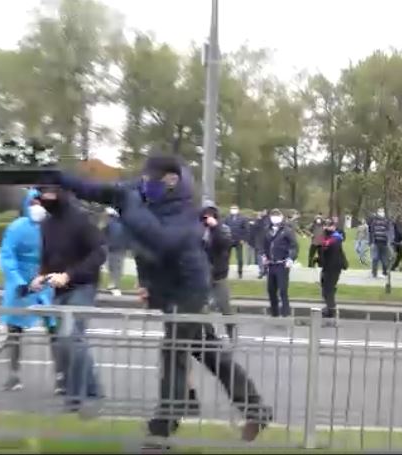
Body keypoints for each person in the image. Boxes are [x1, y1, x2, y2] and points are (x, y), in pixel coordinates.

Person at [53, 154, 271, 442]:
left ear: (171, 181)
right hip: (169, 288)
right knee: (210, 352)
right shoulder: (140, 192)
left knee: (173, 350)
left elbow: (162, 241)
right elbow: (97, 190)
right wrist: (59, 178)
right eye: (143, 180)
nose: (145, 186)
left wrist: (130, 206)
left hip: (190, 288)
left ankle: (162, 428)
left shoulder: (186, 210)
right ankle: (256, 409)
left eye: (151, 181)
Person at [32, 184, 106, 413]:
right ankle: (93, 390)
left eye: (49, 193)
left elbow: (99, 253)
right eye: (42, 194)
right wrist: (41, 275)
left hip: (83, 285)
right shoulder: (47, 224)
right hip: (59, 289)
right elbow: (48, 256)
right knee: (66, 342)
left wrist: (69, 275)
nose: (45, 198)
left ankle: (74, 398)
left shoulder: (81, 219)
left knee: (71, 338)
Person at [0, 189, 56, 391]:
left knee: (55, 327)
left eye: (41, 202)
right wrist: (18, 282)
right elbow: (7, 256)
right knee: (14, 328)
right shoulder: (16, 228)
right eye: (34, 202)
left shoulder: (53, 227)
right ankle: (13, 375)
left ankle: (61, 375)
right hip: (21, 281)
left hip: (45, 279)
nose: (38, 207)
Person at [201, 201, 235, 338]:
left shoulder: (223, 229)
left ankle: (231, 330)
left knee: (224, 306)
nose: (208, 216)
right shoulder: (199, 230)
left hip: (219, 274)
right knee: (202, 307)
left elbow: (225, 244)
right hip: (203, 275)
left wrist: (215, 227)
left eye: (211, 213)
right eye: (205, 213)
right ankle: (210, 334)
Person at [260, 209, 298, 318]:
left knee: (283, 290)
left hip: (282, 264)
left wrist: (290, 258)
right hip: (271, 264)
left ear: (281, 217)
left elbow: (294, 246)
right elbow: (264, 245)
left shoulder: (287, 231)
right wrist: (263, 255)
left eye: (277, 215)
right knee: (271, 290)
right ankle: (274, 313)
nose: (274, 218)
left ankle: (285, 313)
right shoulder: (267, 230)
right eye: (273, 215)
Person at [315, 219, 348, 319]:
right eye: (325, 225)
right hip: (327, 267)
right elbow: (321, 250)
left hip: (333, 268)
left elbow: (328, 249)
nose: (326, 228)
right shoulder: (326, 238)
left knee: (328, 289)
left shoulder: (335, 239)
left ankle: (331, 310)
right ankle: (329, 307)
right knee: (326, 288)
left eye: (329, 226)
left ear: (333, 227)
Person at [102, 207, 128, 296]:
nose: (105, 217)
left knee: (114, 267)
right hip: (118, 248)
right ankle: (113, 285)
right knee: (116, 268)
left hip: (114, 248)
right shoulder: (120, 224)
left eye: (106, 215)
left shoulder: (111, 224)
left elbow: (105, 236)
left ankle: (114, 286)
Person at [223, 205, 249, 279]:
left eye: (235, 208)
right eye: (232, 208)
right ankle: (225, 272)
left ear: (238, 210)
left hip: (239, 240)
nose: (233, 210)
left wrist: (243, 239)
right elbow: (224, 228)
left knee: (240, 258)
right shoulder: (227, 218)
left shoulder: (243, 218)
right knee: (226, 257)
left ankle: (240, 272)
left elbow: (246, 230)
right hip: (229, 240)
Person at [369, 208, 392, 278]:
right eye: (380, 212)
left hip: (384, 242)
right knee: (375, 258)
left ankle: (384, 272)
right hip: (376, 242)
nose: (381, 213)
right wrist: (371, 242)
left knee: (384, 258)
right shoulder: (374, 222)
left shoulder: (386, 221)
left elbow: (389, 231)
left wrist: (389, 241)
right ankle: (374, 273)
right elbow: (371, 232)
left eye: (382, 212)